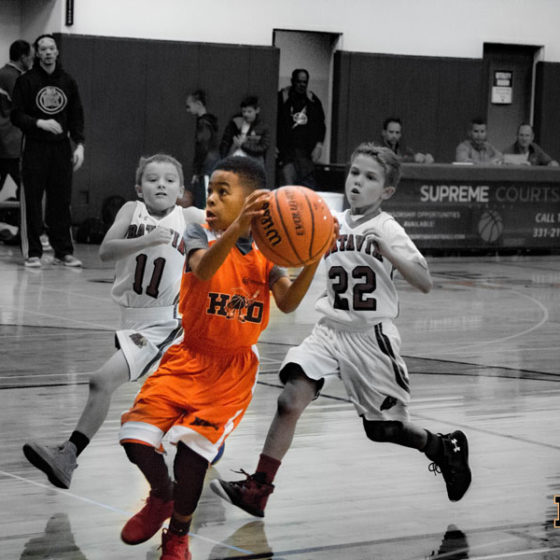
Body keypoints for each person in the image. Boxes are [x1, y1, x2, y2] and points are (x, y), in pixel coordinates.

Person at [210, 143, 472, 519]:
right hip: (329, 331)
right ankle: (258, 491)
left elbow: (425, 281)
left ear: (387, 191)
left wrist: (390, 252)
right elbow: (288, 224)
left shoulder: (388, 228)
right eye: (354, 173)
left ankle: (442, 448)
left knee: (383, 430)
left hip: (370, 339)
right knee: (289, 401)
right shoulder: (326, 220)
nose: (357, 181)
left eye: (370, 177)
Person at [118, 156, 333, 559]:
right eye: (210, 191)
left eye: (222, 192)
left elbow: (287, 302)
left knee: (191, 459)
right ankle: (161, 496)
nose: (211, 199)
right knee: (135, 439)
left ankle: (178, 536)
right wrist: (236, 229)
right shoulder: (199, 232)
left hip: (230, 373)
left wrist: (314, 258)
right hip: (187, 357)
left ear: (252, 201)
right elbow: (202, 270)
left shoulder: (267, 255)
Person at [22, 154, 206, 490]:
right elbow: (106, 251)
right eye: (152, 179)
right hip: (131, 321)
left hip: (166, 325)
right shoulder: (130, 211)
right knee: (169, 399)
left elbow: (230, 228)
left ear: (181, 190)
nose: (161, 184)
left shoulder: (189, 216)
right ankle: (200, 442)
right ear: (139, 187)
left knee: (101, 381)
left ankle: (68, 455)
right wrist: (146, 239)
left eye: (169, 180)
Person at [10, 34, 85, 268]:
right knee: (32, 200)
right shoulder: (26, 81)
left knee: (61, 201)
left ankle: (64, 251)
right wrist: (38, 123)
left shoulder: (68, 81)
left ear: (57, 51)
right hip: (34, 146)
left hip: (61, 147)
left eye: (51, 48)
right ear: (37, 53)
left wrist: (79, 144)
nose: (48, 52)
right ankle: (33, 252)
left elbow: (76, 115)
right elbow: (16, 115)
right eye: (43, 49)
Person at [0, 40, 33, 243]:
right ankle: (25, 234)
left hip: (4, 142)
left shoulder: (3, 74)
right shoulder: (14, 78)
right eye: (31, 57)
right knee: (26, 189)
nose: (33, 60)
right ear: (23, 57)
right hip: (11, 143)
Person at [277, 68, 326, 188]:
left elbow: (321, 125)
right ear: (292, 81)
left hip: (306, 155)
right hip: (286, 153)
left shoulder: (312, 100)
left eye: (305, 82)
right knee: (288, 189)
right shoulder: (282, 98)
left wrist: (319, 145)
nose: (302, 85)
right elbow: (273, 121)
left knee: (307, 189)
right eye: (299, 81)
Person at [185, 89, 220, 209]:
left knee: (206, 200)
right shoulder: (207, 122)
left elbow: (203, 147)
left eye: (188, 106)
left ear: (198, 104)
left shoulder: (204, 123)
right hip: (210, 165)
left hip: (207, 167)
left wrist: (197, 170)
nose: (187, 110)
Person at [219, 95, 270, 168]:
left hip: (253, 164)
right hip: (234, 161)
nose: (246, 114)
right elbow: (226, 143)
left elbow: (262, 148)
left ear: (257, 110)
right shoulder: (236, 123)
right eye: (244, 111)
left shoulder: (263, 127)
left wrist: (243, 145)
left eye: (249, 112)